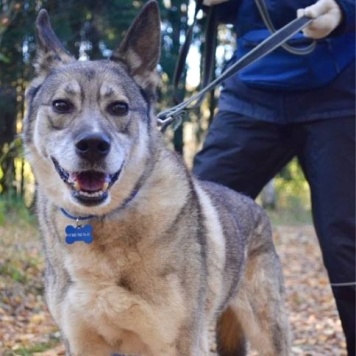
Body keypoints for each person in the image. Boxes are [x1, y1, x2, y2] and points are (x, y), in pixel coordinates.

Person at [193, 0, 355, 354]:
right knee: (191, 225)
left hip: (342, 94)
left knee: (348, 240)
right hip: (252, 88)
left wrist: (344, 12)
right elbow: (225, 11)